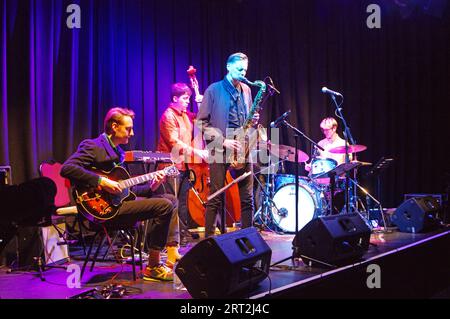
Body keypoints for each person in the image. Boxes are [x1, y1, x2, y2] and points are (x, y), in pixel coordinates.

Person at [60, 107, 175, 281]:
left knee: (170, 199)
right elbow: (67, 168)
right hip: (101, 210)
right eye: (128, 128)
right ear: (114, 126)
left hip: (117, 205)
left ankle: (159, 260)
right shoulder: (93, 146)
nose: (132, 133)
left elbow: (127, 192)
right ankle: (153, 266)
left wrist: (152, 185)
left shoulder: (119, 155)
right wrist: (101, 181)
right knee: (164, 205)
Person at [196, 52, 259, 238]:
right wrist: (223, 140)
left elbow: (246, 118)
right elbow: (201, 123)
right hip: (220, 146)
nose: (243, 73)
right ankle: (208, 240)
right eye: (239, 69)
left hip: (242, 145)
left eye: (245, 70)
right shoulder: (213, 90)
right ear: (228, 67)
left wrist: (253, 120)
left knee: (247, 198)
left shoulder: (246, 90)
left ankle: (248, 238)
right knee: (215, 196)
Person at [156, 82, 207, 265]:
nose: (187, 102)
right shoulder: (168, 116)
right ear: (175, 98)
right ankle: (168, 244)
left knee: (182, 205)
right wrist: (198, 152)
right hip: (169, 167)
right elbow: (174, 142)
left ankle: (178, 243)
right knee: (171, 206)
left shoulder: (185, 115)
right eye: (185, 98)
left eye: (188, 98)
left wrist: (200, 102)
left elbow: (201, 121)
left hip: (183, 167)